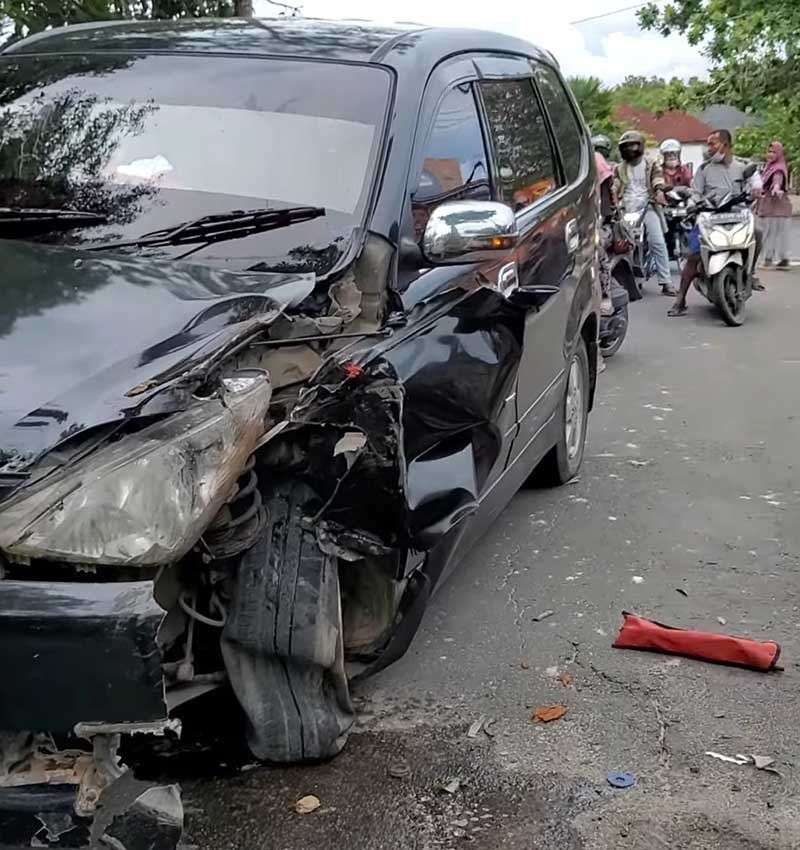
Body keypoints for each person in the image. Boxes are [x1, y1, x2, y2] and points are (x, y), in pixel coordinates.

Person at [668, 129, 764, 317]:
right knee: (693, 256)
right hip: (709, 215)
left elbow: (755, 180)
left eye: (713, 144)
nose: (709, 148)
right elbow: (695, 191)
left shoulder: (742, 166)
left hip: (737, 214)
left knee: (758, 232)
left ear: (725, 145)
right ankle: (680, 299)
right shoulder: (704, 169)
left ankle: (750, 272)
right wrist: (692, 202)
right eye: (708, 144)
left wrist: (756, 189)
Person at [614, 129, 676, 296]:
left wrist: (659, 191)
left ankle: (666, 282)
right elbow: (616, 186)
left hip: (647, 206)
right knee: (616, 242)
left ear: (640, 145)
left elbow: (657, 179)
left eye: (633, 145)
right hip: (625, 208)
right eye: (626, 146)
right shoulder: (619, 168)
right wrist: (612, 197)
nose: (630, 149)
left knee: (657, 241)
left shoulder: (650, 163)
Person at [757, 141, 792, 269]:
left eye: (774, 152)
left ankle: (769, 259)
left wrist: (776, 188)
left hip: (774, 206)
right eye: (769, 152)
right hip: (776, 206)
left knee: (769, 233)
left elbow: (778, 179)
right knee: (777, 233)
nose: (770, 154)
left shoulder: (778, 168)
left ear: (779, 154)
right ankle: (783, 259)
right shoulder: (769, 167)